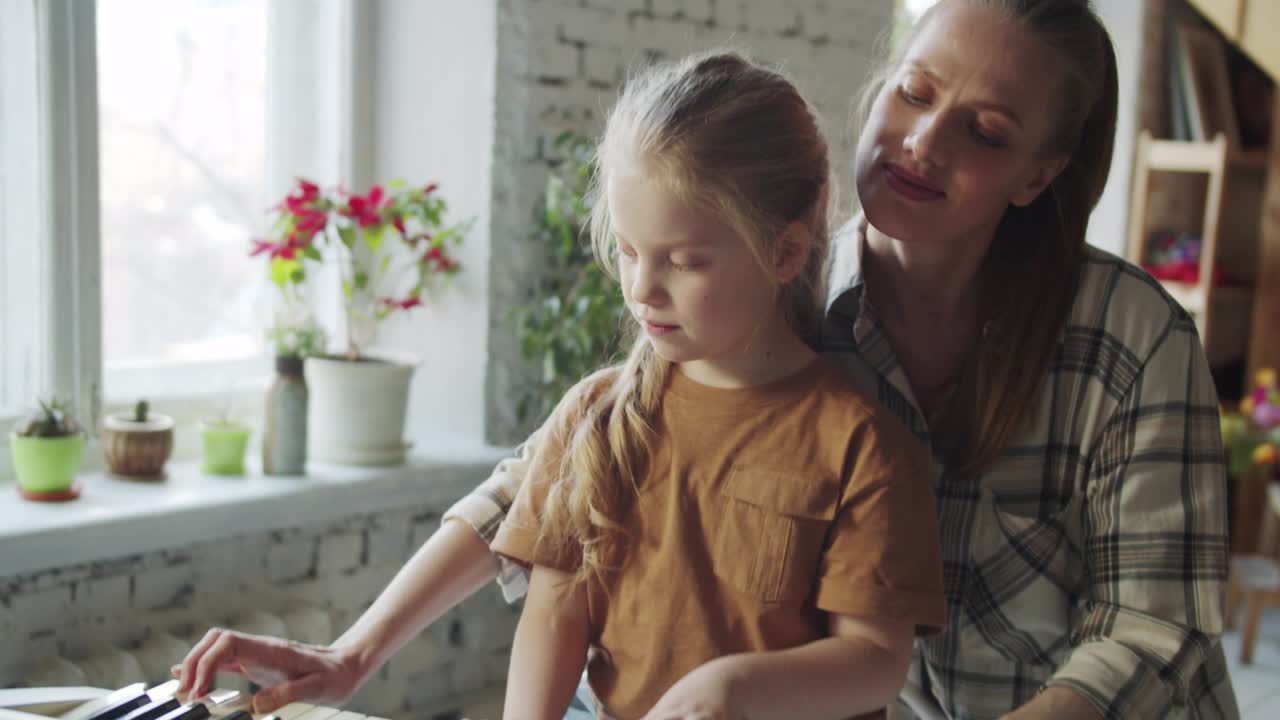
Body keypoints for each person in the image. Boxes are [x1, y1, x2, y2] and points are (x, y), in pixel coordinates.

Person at [176, 1, 1237, 718]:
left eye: (985, 130)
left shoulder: (1128, 337)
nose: (921, 142)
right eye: (913, 93)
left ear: (1039, 173)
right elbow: (540, 486)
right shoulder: (782, 289)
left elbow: (1151, 630)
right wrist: (352, 652)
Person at [487, 50, 946, 720]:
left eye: (684, 260)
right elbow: (555, 616)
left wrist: (733, 690)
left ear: (785, 252)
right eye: (629, 251)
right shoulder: (595, 415)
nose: (643, 289)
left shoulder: (863, 445)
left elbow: (875, 662)